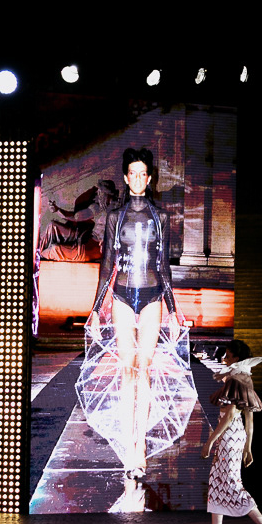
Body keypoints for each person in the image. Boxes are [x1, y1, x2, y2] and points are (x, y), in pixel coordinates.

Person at [80, 147, 193, 484]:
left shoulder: (161, 217)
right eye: (134, 174)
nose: (140, 179)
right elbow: (107, 267)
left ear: (149, 177)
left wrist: (174, 312)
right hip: (121, 298)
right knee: (127, 371)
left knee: (144, 371)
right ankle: (129, 444)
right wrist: (95, 311)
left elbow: (164, 268)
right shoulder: (116, 217)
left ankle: (139, 444)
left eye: (144, 173)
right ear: (127, 178)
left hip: (152, 297)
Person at [195, 353, 262, 524]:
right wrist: (248, 447)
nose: (224, 360)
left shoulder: (235, 381)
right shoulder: (243, 379)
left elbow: (229, 416)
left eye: (227, 356)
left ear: (236, 359)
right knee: (217, 481)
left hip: (228, 437)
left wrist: (210, 442)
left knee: (231, 484)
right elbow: (249, 421)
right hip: (235, 437)